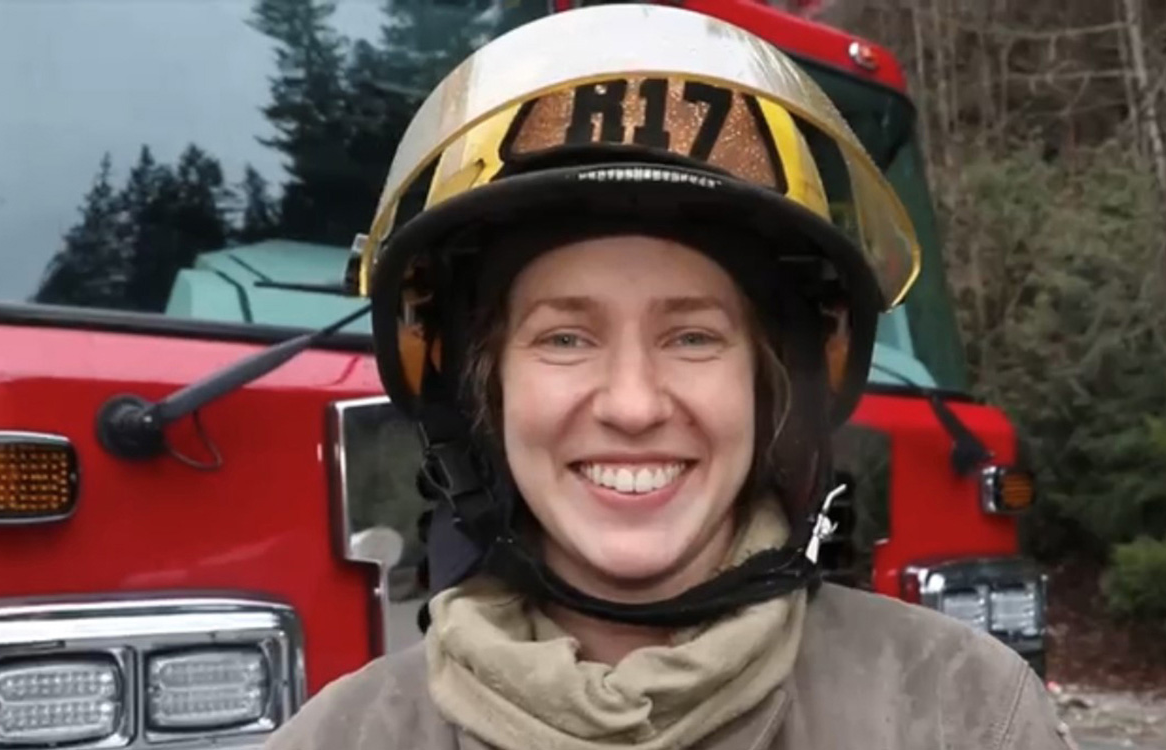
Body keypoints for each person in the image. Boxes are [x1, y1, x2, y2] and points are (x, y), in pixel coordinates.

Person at [264, 5, 1078, 749]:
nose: (632, 404)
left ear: (775, 390)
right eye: (565, 339)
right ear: (483, 390)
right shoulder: (342, 736)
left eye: (692, 337)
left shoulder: (962, 713)